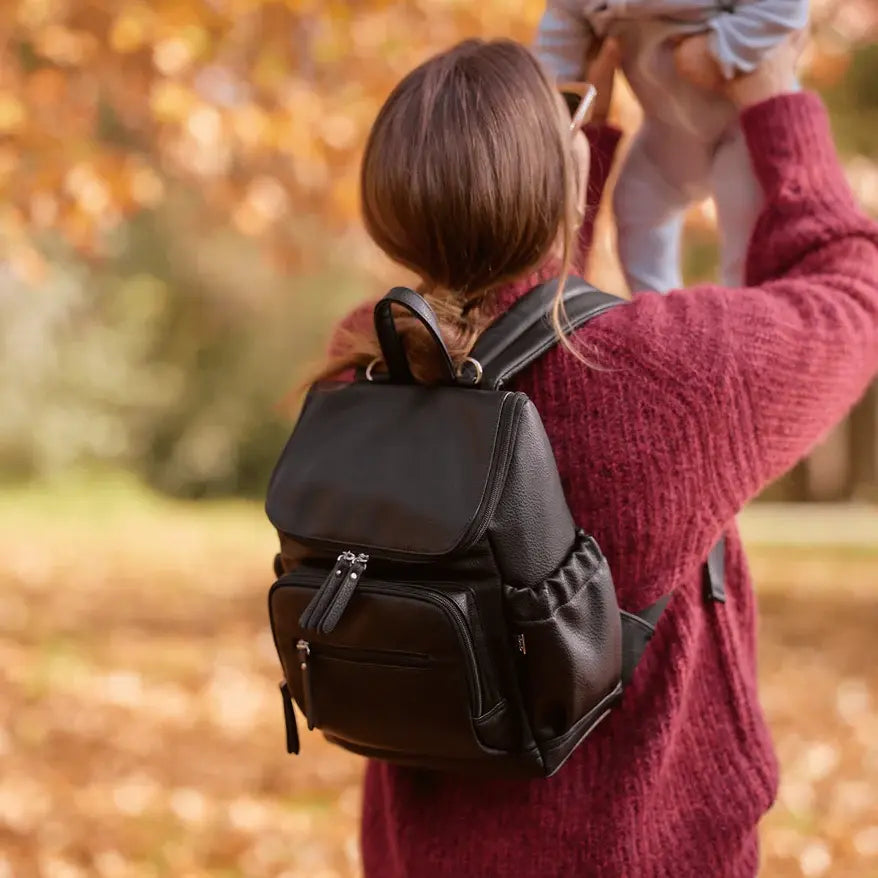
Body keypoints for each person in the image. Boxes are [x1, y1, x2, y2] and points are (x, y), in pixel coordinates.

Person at [318, 31, 878, 878]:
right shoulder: (672, 375)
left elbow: (518, 337)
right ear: (564, 172)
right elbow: (851, 296)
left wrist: (564, 158)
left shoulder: (363, 366)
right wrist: (777, 97)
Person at [534, 0, 810, 293]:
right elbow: (559, 33)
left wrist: (720, 48)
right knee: (636, 199)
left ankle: (746, 307)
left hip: (740, 127)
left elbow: (785, 7)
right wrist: (553, 103)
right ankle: (658, 306)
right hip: (667, 131)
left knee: (746, 218)